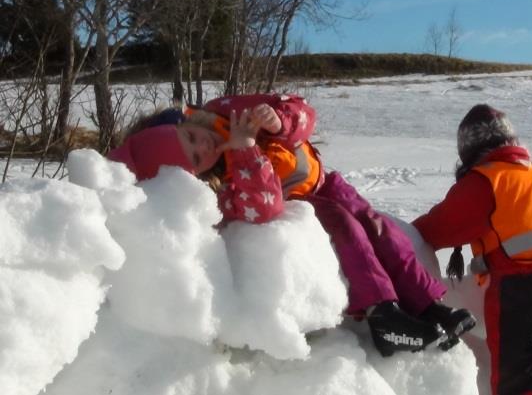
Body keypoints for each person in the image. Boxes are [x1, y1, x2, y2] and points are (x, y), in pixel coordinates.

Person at [108, 93, 476, 357]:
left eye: (189, 137)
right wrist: (245, 148)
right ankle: (384, 315)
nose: (203, 145)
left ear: (183, 122)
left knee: (378, 227)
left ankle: (427, 303)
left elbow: (302, 111)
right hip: (303, 202)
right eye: (196, 158)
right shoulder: (219, 192)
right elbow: (263, 206)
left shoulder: (227, 110)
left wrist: (280, 119)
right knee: (347, 228)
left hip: (324, 180)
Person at [412, 104, 532, 395]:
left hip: (528, 279)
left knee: (517, 362)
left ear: (468, 150)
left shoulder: (485, 179)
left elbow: (442, 226)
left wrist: (402, 235)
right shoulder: (529, 172)